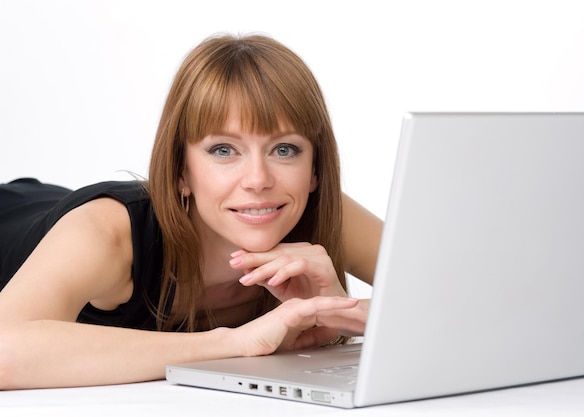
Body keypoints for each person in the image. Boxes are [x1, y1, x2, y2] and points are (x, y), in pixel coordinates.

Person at [0, 34, 383, 389]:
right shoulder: (107, 232)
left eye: (284, 150)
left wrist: (339, 313)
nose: (258, 180)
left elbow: (441, 293)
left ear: (315, 169)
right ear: (180, 170)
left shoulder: (310, 208)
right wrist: (234, 343)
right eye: (223, 150)